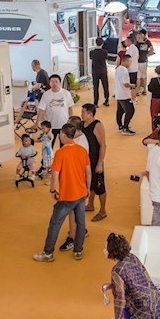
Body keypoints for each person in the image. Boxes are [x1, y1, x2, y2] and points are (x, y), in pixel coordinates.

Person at [33, 123, 91, 261]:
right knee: (81, 223)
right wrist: (87, 189)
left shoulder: (60, 153)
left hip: (67, 196)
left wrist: (53, 190)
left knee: (55, 224)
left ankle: (48, 253)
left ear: (63, 135)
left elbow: (55, 175)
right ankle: (78, 251)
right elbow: (88, 172)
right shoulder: (82, 151)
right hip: (81, 193)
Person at [102, 233, 160, 319]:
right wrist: (111, 285)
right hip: (155, 300)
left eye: (106, 248)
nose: (103, 251)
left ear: (113, 251)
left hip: (142, 309)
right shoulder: (132, 257)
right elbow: (140, 278)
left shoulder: (116, 270)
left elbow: (120, 299)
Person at [59, 116, 90, 252]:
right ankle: (81, 230)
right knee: (77, 210)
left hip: (76, 182)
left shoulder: (79, 145)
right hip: (79, 182)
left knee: (72, 210)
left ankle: (72, 238)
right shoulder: (79, 140)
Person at [82, 104, 109, 222]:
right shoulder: (82, 125)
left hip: (95, 160)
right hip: (86, 161)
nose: (81, 114)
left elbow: (103, 145)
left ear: (89, 114)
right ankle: (90, 204)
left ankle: (103, 211)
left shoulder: (97, 125)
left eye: (83, 112)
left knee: (99, 186)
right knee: (90, 183)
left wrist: (100, 163)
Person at [37, 74, 75, 147]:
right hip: (50, 126)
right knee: (49, 146)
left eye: (56, 81)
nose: (54, 83)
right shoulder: (46, 95)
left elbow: (70, 108)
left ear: (60, 83)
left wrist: (71, 121)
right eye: (52, 82)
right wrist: (36, 123)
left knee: (64, 147)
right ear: (49, 83)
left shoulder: (66, 93)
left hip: (64, 125)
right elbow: (41, 110)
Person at [115, 54, 136, 135]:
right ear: (125, 61)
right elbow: (126, 84)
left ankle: (120, 126)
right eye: (129, 61)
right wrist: (132, 85)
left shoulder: (118, 69)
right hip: (124, 95)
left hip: (119, 93)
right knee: (130, 111)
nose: (130, 63)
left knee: (120, 111)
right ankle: (125, 128)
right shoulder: (124, 71)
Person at [90, 37, 110, 108]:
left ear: (95, 43)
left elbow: (91, 58)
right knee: (105, 86)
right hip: (103, 70)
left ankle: (95, 102)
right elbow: (106, 59)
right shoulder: (105, 52)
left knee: (96, 87)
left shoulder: (92, 52)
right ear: (102, 44)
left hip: (95, 71)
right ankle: (107, 100)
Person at [135, 30, 154, 96]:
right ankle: (144, 90)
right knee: (144, 76)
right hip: (144, 61)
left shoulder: (136, 45)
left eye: (137, 37)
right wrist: (147, 55)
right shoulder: (146, 44)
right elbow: (151, 50)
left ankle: (137, 90)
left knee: (138, 77)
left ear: (139, 37)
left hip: (138, 62)